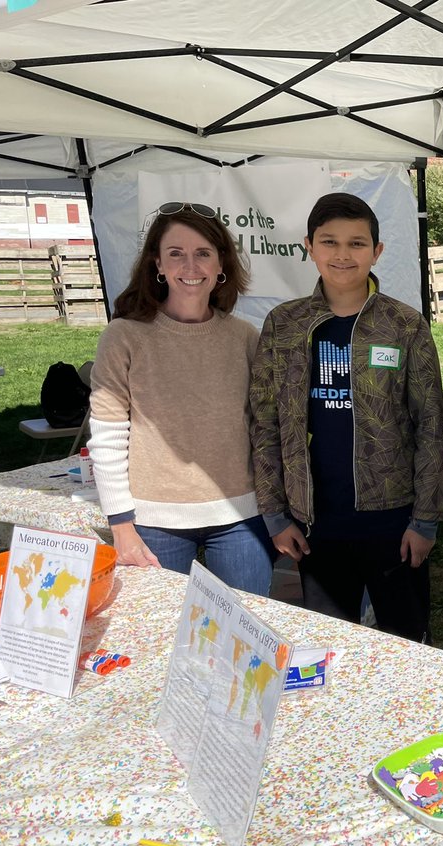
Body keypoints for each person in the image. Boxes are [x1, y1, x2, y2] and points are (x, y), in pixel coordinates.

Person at [249, 193, 443, 643]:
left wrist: (426, 520)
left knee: (406, 641)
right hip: (317, 521)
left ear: (376, 251)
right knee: (329, 644)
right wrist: (276, 514)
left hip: (393, 521)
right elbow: (264, 422)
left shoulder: (404, 325)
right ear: (309, 247)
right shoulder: (285, 324)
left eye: (357, 243)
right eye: (329, 242)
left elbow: (430, 425)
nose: (342, 255)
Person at [88, 202, 274, 595]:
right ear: (157, 263)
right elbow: (107, 433)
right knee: (164, 640)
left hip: (240, 516)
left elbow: (266, 427)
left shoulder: (244, 337)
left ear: (221, 263)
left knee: (246, 639)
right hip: (154, 521)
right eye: (176, 254)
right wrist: (120, 524)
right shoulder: (123, 336)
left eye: (203, 253)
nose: (191, 266)